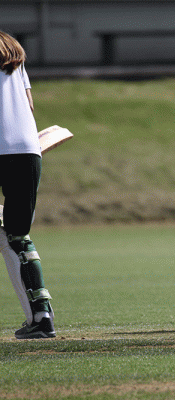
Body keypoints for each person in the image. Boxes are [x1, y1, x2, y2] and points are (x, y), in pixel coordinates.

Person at [0, 31, 55, 339]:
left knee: (11, 236)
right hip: (26, 150)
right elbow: (29, 106)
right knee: (18, 235)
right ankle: (42, 317)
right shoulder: (12, 53)